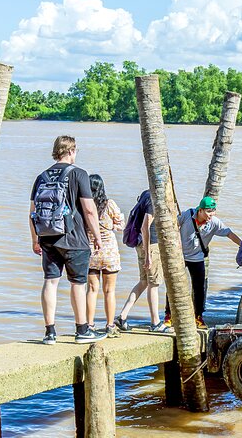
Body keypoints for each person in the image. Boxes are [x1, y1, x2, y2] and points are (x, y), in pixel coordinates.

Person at [30, 135, 107, 345]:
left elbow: (33, 212)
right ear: (71, 151)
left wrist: (35, 240)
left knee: (50, 282)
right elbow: (89, 210)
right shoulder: (79, 174)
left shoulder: (41, 177)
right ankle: (82, 330)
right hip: (74, 238)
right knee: (78, 283)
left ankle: (49, 333)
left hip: (47, 237)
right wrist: (97, 237)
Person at [164, 196, 242, 329]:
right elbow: (172, 226)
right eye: (208, 211)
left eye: (213, 211)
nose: (211, 215)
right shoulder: (187, 215)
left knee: (199, 288)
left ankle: (198, 316)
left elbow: (229, 234)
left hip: (198, 258)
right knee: (173, 284)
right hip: (181, 257)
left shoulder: (214, 222)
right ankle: (169, 315)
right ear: (200, 210)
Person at [115, 190, 172, 333]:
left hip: (141, 245)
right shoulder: (155, 198)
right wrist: (148, 255)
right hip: (151, 246)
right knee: (153, 283)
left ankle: (122, 316)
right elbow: (145, 226)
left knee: (144, 282)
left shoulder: (146, 194)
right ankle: (155, 323)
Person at [85, 174, 124, 337]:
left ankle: (89, 325)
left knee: (92, 290)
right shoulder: (110, 204)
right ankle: (109, 325)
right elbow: (121, 225)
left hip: (91, 251)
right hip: (109, 252)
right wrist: (112, 225)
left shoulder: (84, 205)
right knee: (109, 291)